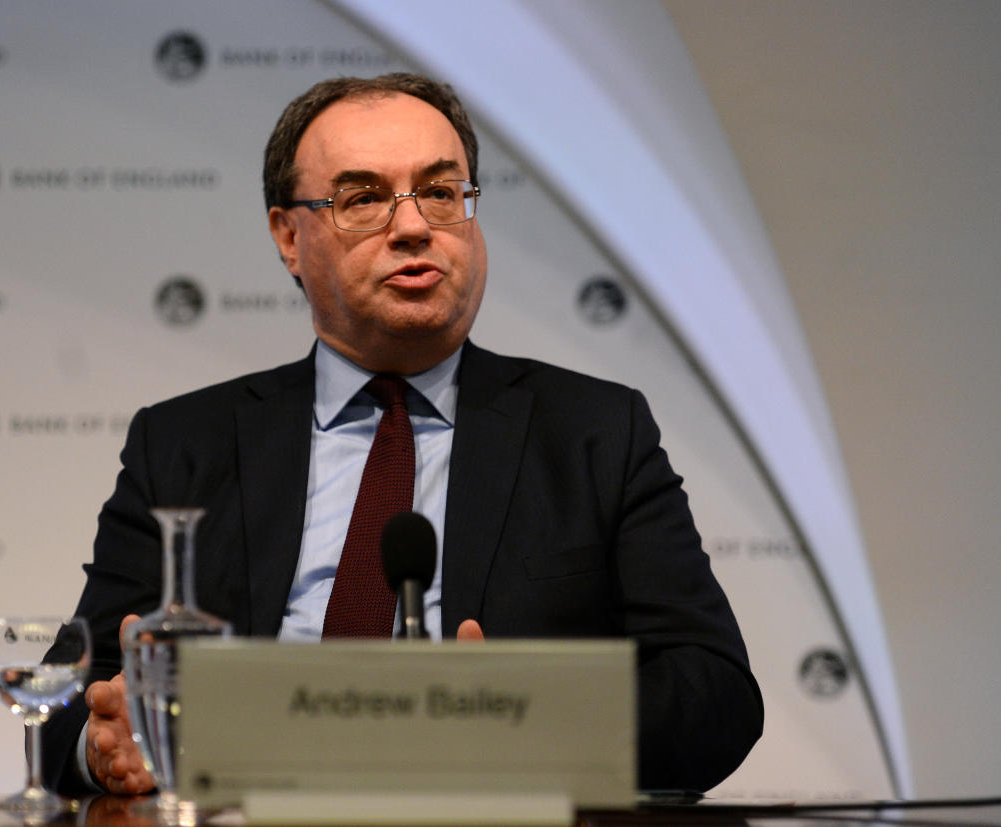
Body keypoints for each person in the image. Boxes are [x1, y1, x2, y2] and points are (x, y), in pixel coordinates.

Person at [41, 72, 763, 797]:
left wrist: (519, 718)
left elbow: (717, 693)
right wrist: (102, 748)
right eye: (363, 199)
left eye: (442, 193)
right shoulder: (182, 444)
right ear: (289, 236)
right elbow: (66, 698)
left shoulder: (593, 433)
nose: (414, 226)